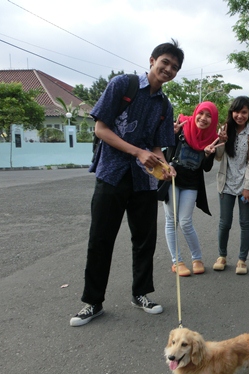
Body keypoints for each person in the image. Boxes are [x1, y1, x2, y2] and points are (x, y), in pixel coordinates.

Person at [69, 40, 183, 327]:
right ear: (152, 60)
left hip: (144, 181)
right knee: (100, 239)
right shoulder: (123, 84)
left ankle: (141, 293)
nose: (168, 69)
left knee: (145, 240)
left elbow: (157, 147)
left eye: (175, 67)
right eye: (165, 62)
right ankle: (93, 302)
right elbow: (101, 128)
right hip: (112, 173)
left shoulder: (165, 105)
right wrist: (137, 152)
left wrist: (164, 165)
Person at [163, 101, 223, 277]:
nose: (203, 119)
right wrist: (171, 134)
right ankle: (177, 261)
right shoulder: (181, 126)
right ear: (196, 112)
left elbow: (205, 168)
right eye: (201, 114)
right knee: (172, 220)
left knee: (186, 221)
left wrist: (207, 154)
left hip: (191, 183)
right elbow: (165, 150)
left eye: (208, 116)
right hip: (172, 180)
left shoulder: (212, 137)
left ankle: (197, 258)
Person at [212, 96, 249, 275]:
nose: (239, 115)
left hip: (244, 185)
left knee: (245, 222)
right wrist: (221, 140)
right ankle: (222, 256)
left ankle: (242, 260)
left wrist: (247, 186)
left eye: (244, 112)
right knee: (224, 223)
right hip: (226, 183)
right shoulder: (225, 129)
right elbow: (218, 157)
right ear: (231, 112)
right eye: (236, 111)